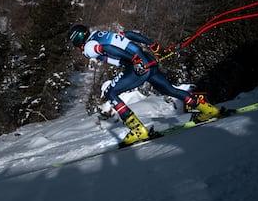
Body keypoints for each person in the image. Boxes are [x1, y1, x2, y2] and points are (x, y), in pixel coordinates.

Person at [67, 24, 221, 145]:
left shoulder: (89, 47)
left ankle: (137, 130)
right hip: (148, 60)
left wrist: (134, 59)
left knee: (110, 93)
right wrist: (153, 45)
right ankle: (206, 109)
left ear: (77, 40)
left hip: (137, 66)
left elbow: (106, 48)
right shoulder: (101, 34)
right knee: (169, 89)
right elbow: (129, 35)